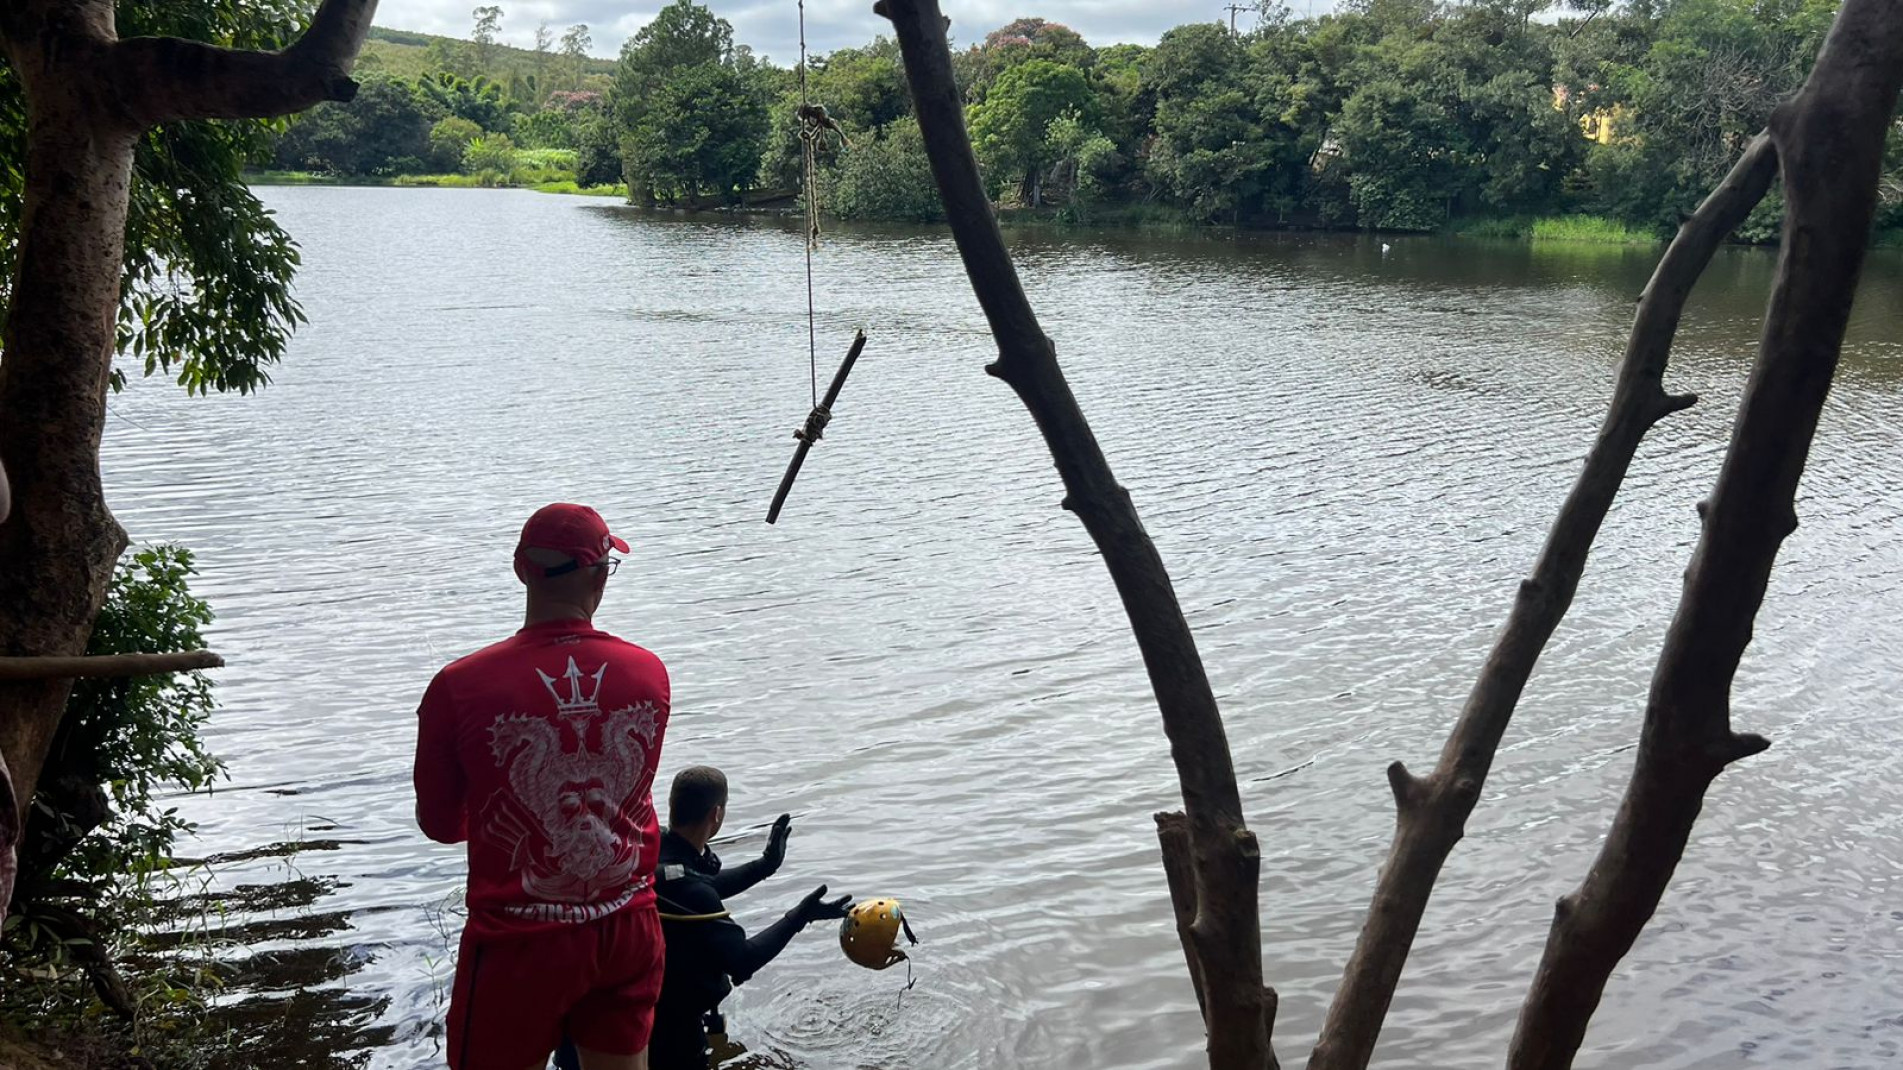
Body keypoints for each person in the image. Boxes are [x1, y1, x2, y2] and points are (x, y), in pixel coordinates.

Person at [413, 503, 671, 1070]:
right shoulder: (648, 672)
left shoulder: (460, 686)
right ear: (600, 574)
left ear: (520, 569)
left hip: (519, 940)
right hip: (628, 924)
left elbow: (439, 824)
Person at [558, 767, 850, 1070]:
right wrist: (800, 916)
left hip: (586, 1034)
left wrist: (765, 866)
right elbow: (742, 961)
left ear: (672, 807)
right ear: (717, 814)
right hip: (661, 1041)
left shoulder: (644, 855)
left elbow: (699, 886)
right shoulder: (689, 891)